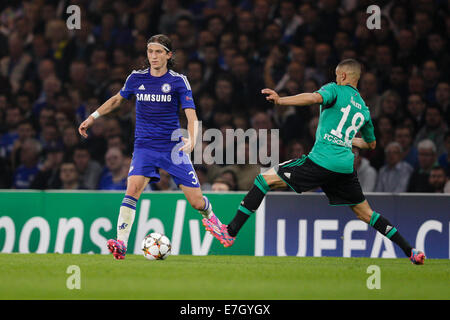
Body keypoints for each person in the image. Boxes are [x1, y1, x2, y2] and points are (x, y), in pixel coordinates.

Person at [203, 59, 425, 265]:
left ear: (345, 76)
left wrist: (281, 100)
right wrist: (346, 139)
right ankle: (411, 251)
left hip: (321, 162)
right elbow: (372, 144)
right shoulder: (364, 109)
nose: (336, 78)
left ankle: (230, 232)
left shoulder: (335, 90)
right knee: (367, 214)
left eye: (338, 75)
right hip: (345, 169)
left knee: (263, 180)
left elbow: (313, 97)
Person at [78, 34, 218, 260]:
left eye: (159, 52)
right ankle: (121, 243)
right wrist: (93, 116)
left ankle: (212, 219)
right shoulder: (135, 78)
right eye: (150, 51)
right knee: (132, 189)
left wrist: (192, 140)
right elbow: (116, 100)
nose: (153, 56)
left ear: (168, 55)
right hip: (144, 146)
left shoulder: (178, 81)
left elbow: (191, 116)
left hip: (172, 148)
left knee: (196, 202)